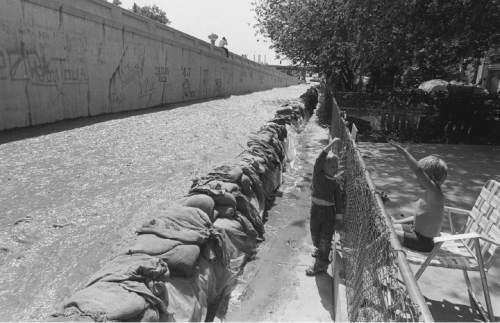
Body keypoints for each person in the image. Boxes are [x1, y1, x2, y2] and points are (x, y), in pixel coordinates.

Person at [389, 141, 448, 252]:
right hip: (414, 231)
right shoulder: (428, 193)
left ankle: (367, 256)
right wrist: (396, 222)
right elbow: (417, 218)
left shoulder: (436, 194)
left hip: (423, 242)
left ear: (429, 179)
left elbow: (418, 171)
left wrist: (405, 153)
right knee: (388, 226)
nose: (417, 179)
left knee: (388, 234)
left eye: (421, 178)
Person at [306, 137, 344, 276]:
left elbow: (338, 201)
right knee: (314, 233)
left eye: (336, 167)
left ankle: (320, 265)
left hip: (329, 213)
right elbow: (320, 158)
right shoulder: (318, 174)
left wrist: (339, 218)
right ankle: (319, 249)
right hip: (315, 210)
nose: (335, 170)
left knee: (325, 238)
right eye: (332, 167)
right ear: (323, 167)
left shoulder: (335, 183)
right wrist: (332, 144)